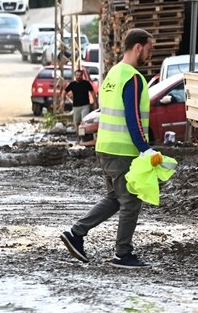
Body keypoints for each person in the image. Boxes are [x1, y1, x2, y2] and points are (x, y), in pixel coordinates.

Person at [61, 28, 155, 269]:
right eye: (148, 48)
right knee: (131, 201)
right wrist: (145, 148)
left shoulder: (113, 73)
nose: (149, 54)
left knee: (115, 198)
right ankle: (123, 254)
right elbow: (132, 116)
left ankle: (76, 233)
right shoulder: (132, 77)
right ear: (137, 47)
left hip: (105, 146)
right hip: (123, 150)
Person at [65, 67, 98, 133]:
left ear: (82, 76)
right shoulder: (72, 84)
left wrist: (95, 102)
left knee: (84, 121)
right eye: (77, 75)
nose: (78, 77)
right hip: (76, 106)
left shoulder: (86, 83)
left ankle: (83, 134)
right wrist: (62, 101)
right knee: (77, 122)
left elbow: (92, 92)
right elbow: (65, 91)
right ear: (75, 76)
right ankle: (78, 134)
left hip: (85, 105)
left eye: (80, 75)